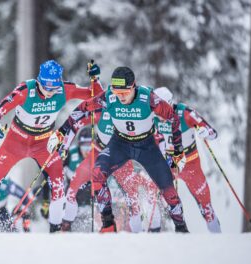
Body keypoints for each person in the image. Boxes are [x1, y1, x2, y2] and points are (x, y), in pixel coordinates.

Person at [0, 60, 104, 232]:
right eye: (45, 88)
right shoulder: (26, 90)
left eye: (53, 89)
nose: (48, 93)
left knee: (58, 183)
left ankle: (55, 229)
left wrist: (95, 78)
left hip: (43, 145)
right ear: (39, 81)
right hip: (15, 143)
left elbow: (99, 96)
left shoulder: (64, 89)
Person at [51, 67, 189, 232]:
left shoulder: (147, 97)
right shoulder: (110, 97)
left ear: (134, 87)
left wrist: (178, 152)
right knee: (97, 173)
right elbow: (82, 109)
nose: (120, 96)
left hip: (146, 145)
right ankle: (108, 224)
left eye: (124, 92)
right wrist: (61, 132)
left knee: (168, 190)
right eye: (117, 91)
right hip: (120, 143)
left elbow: (173, 118)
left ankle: (181, 228)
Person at [60, 122, 162, 233]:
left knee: (123, 202)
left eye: (89, 145)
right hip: (85, 202)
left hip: (107, 197)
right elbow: (65, 179)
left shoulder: (106, 154)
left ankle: (134, 229)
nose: (87, 150)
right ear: (79, 145)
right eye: (84, 146)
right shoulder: (73, 156)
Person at [153, 87, 221, 233]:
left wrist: (205, 132)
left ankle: (218, 237)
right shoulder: (152, 115)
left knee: (206, 206)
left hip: (190, 164)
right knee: (156, 197)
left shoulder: (185, 113)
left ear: (170, 104)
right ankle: (159, 233)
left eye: (163, 110)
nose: (160, 115)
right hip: (168, 164)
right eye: (157, 110)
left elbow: (212, 132)